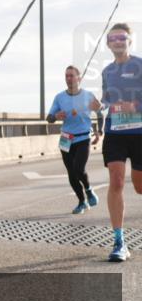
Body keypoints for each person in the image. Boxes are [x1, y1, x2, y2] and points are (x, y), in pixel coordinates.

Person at [99, 22, 142, 262]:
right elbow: (107, 99)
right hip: (115, 131)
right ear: (107, 43)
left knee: (139, 187)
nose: (118, 41)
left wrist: (135, 106)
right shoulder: (107, 72)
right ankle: (119, 241)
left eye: (122, 37)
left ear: (129, 40)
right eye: (113, 37)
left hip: (139, 133)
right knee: (116, 180)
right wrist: (100, 104)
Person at [46, 66, 103, 214]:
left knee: (79, 169)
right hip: (66, 139)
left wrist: (99, 131)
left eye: (71, 76)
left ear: (79, 78)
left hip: (83, 137)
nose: (68, 79)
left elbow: (100, 114)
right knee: (71, 174)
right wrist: (56, 116)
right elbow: (49, 118)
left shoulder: (88, 95)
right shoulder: (59, 97)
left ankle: (89, 190)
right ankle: (82, 201)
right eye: (66, 76)